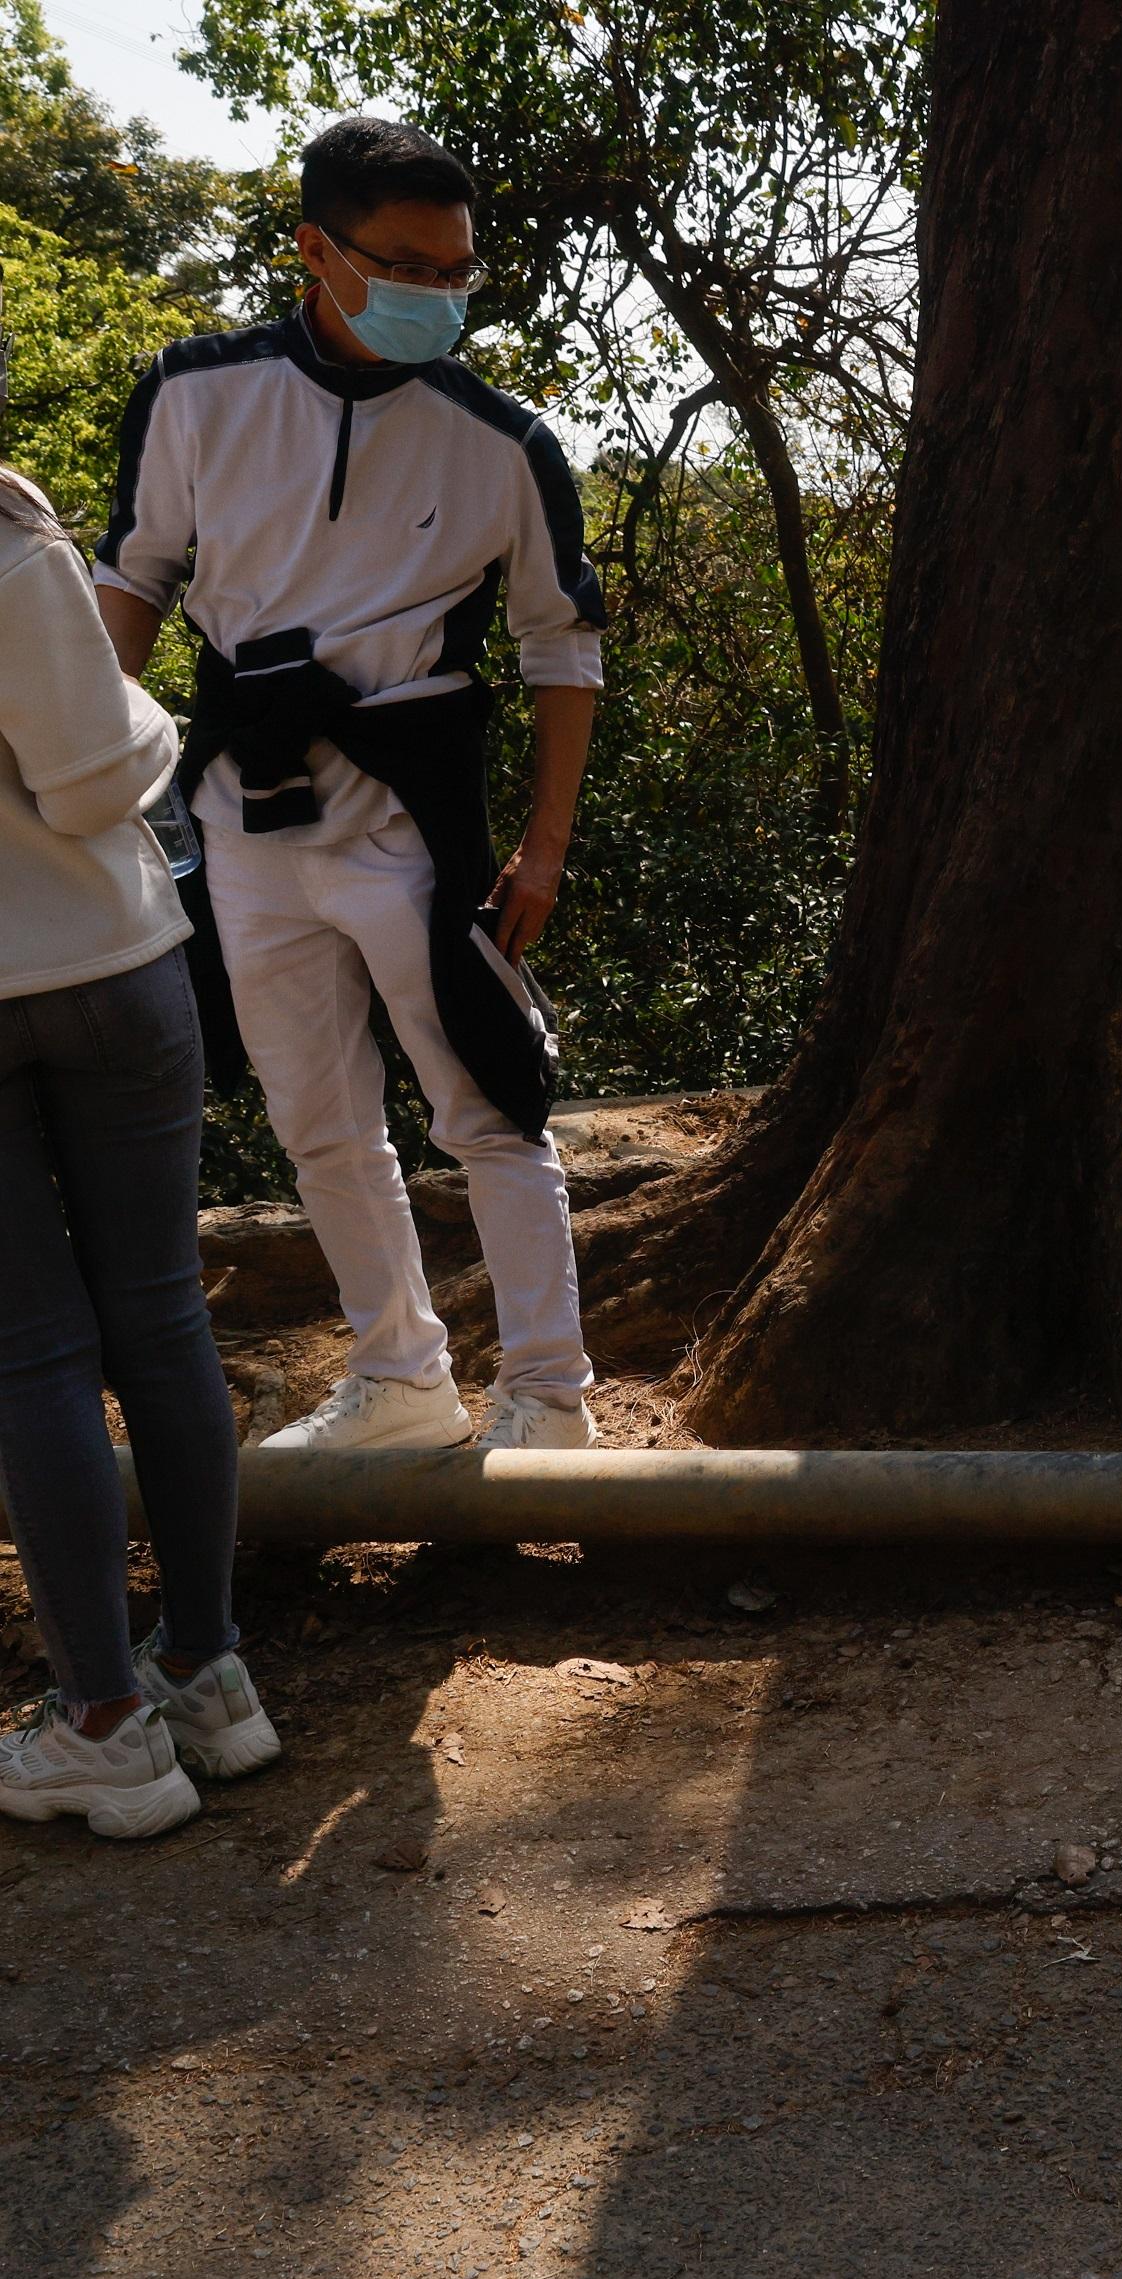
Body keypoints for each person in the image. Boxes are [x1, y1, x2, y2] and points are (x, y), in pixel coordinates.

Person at [95, 116, 606, 1452]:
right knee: (316, 1115)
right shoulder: (195, 393)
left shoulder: (501, 440)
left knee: (486, 1098)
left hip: (413, 817)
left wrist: (544, 847)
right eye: (409, 268)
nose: (440, 297)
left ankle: (550, 1397)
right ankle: (401, 1378)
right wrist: (82, 784)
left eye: (459, 273)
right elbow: (134, 581)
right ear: (316, 252)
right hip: (246, 809)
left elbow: (565, 644)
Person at [0, 463, 279, 1838]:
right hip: (111, 959)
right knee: (162, 1322)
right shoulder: (9, 533)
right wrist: (154, 717)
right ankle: (205, 1670)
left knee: (30, 1352)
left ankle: (102, 1722)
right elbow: (93, 780)